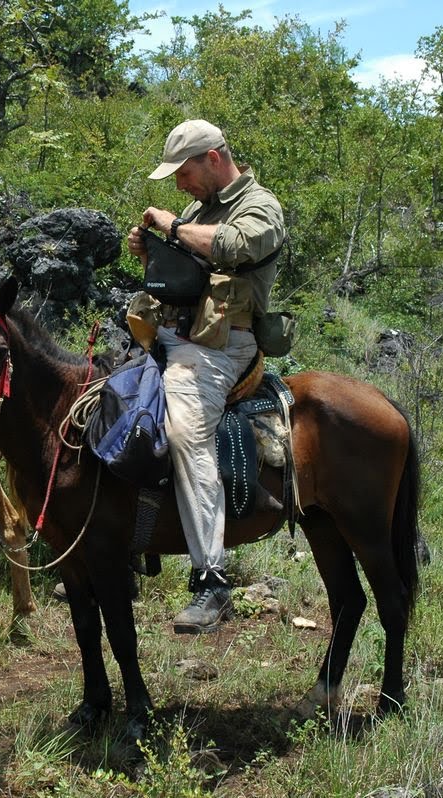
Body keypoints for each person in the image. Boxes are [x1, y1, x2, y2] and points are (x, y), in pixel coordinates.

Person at [126, 120, 286, 634]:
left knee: (184, 430)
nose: (180, 185)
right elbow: (189, 264)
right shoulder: (200, 208)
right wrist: (153, 250)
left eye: (186, 172)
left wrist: (172, 227)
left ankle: (212, 580)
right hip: (174, 334)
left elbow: (234, 247)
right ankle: (126, 546)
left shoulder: (261, 206)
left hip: (222, 345)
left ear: (214, 158)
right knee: (110, 405)